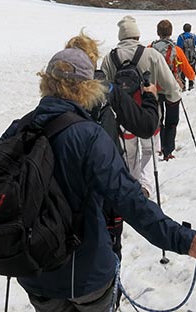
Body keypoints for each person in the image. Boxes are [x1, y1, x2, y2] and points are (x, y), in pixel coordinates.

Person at [2, 47, 196, 312]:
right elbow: (130, 200)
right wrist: (183, 239)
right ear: (87, 87)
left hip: (34, 271)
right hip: (87, 273)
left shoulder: (17, 130)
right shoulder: (88, 136)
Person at [65, 31, 160, 259]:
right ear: (93, 60)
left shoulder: (56, 96)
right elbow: (146, 126)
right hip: (107, 186)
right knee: (109, 249)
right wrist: (149, 97)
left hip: (66, 192)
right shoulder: (106, 90)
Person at [101, 16, 182, 197]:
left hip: (123, 118)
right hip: (148, 115)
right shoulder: (151, 54)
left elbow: (103, 88)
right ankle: (146, 187)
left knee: (130, 156)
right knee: (149, 151)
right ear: (137, 35)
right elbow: (170, 85)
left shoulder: (109, 58)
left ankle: (133, 188)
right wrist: (173, 100)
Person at [150, 19, 195, 161]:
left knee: (159, 119)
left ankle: (160, 146)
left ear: (158, 32)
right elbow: (189, 72)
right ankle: (168, 151)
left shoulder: (149, 48)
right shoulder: (177, 50)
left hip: (155, 89)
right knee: (172, 121)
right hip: (172, 90)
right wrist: (190, 77)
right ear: (170, 33)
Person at [176, 23, 196, 90]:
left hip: (183, 59)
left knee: (183, 73)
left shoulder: (180, 37)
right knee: (192, 70)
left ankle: (183, 87)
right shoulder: (193, 36)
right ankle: (191, 85)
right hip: (192, 58)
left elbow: (178, 49)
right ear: (190, 29)